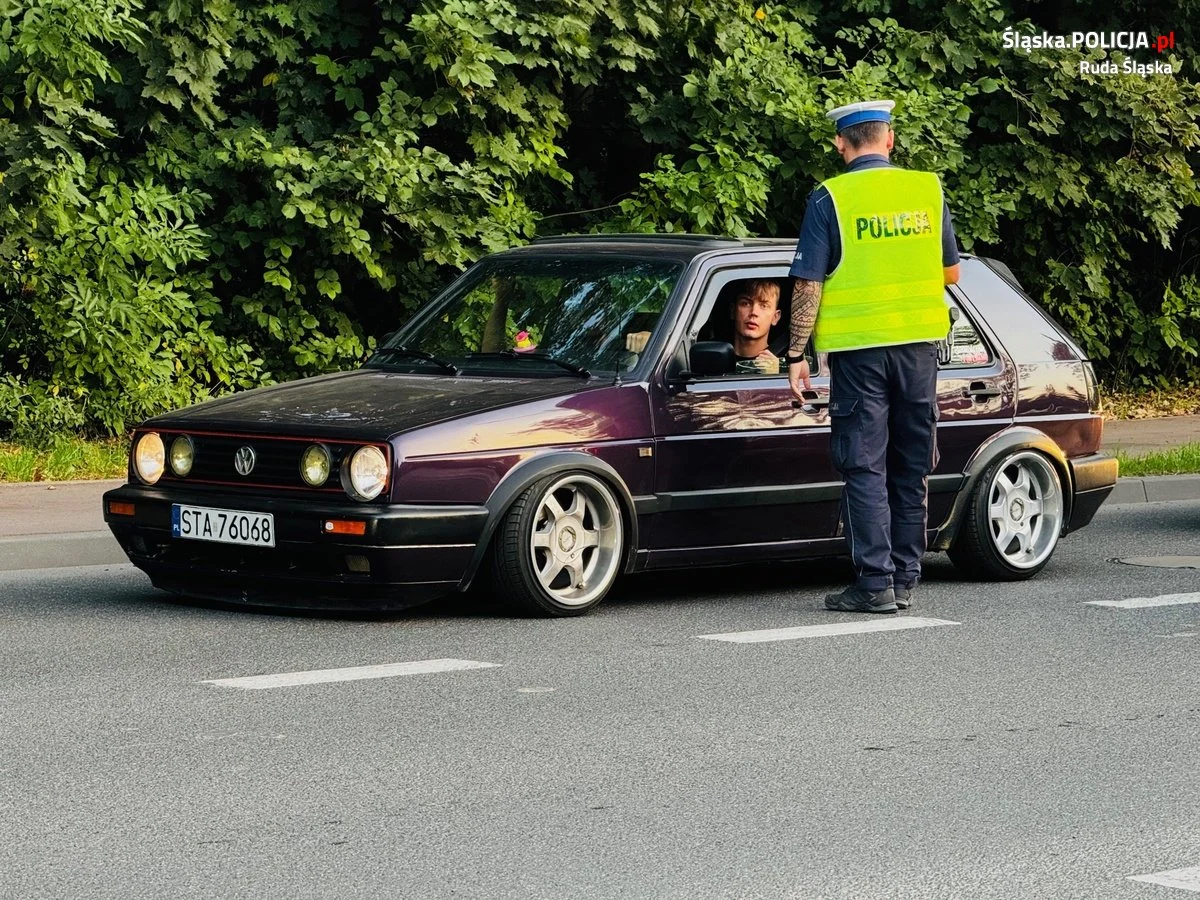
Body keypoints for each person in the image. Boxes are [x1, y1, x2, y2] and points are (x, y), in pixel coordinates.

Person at [786, 99, 961, 614]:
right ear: (889, 140)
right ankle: (906, 579)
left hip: (859, 356)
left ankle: (874, 585)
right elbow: (951, 273)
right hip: (918, 350)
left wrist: (795, 353)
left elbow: (808, 282)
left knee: (864, 467)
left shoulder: (830, 199)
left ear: (841, 144)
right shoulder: (927, 189)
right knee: (911, 466)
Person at [729, 279, 783, 374]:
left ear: (775, 317)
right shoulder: (714, 358)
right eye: (746, 303)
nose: (754, 312)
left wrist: (775, 375)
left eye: (764, 306)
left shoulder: (786, 365)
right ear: (733, 311)